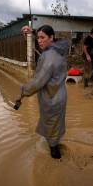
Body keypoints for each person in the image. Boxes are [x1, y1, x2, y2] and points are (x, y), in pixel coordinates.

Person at [19, 24, 69, 159]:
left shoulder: (48, 57)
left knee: (52, 133)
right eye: (38, 38)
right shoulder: (59, 50)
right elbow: (47, 39)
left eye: (42, 38)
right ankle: (56, 149)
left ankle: (56, 164)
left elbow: (37, 82)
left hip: (52, 100)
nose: (39, 40)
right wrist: (33, 32)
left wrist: (23, 90)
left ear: (51, 37)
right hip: (60, 95)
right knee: (55, 128)